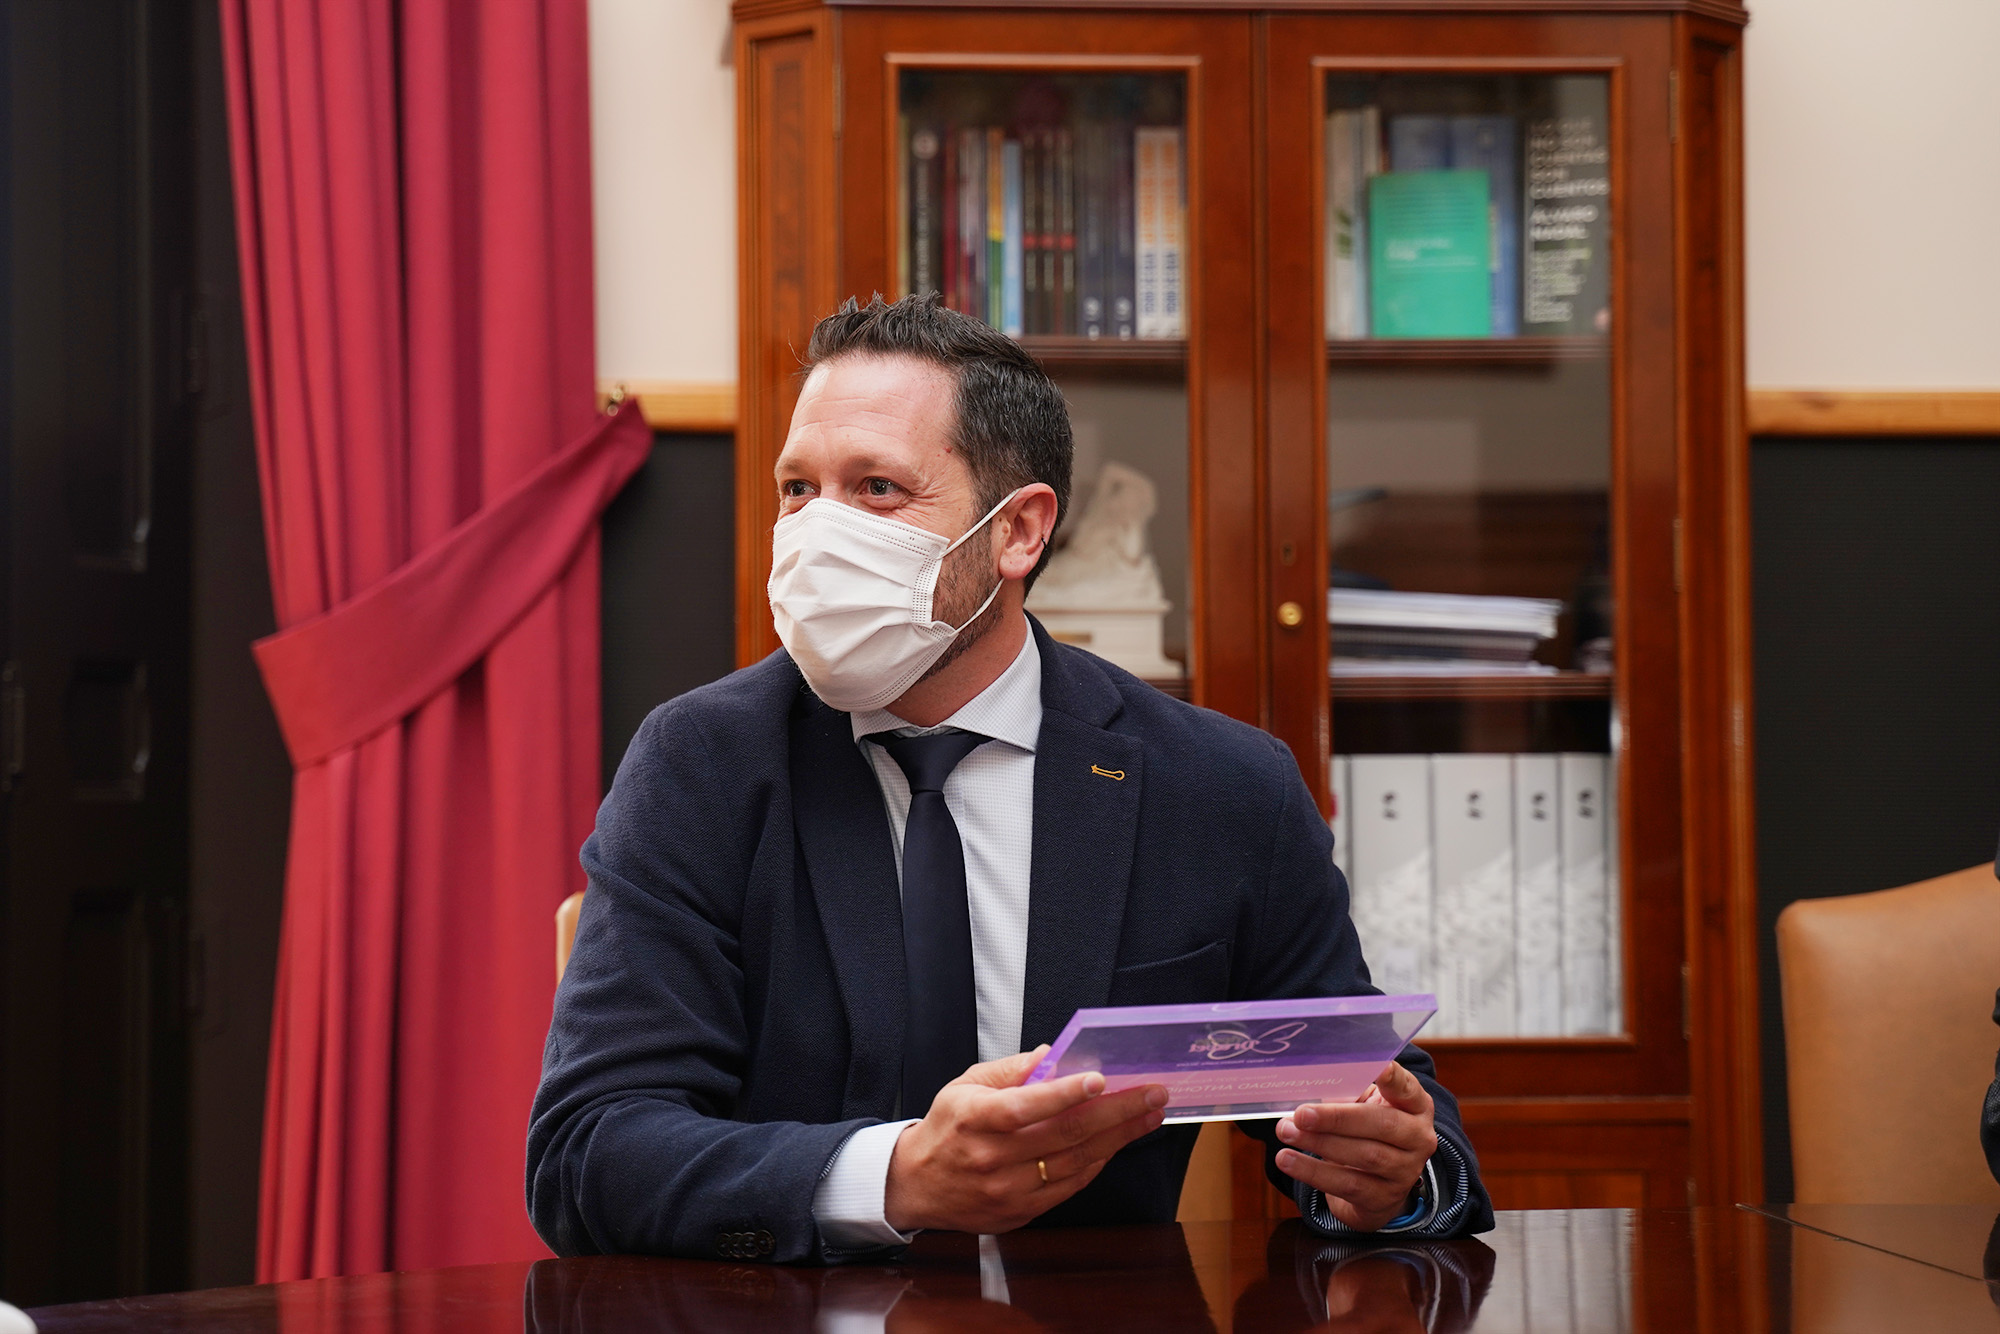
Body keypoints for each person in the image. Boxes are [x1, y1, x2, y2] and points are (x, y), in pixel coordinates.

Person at [526, 293, 1493, 1263]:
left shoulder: (1217, 784)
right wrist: (894, 1177)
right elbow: (587, 1152)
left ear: (1018, 531)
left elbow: (1378, 1100)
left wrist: (1389, 1175)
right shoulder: (701, 763)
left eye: (875, 488)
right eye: (797, 489)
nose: (818, 531)